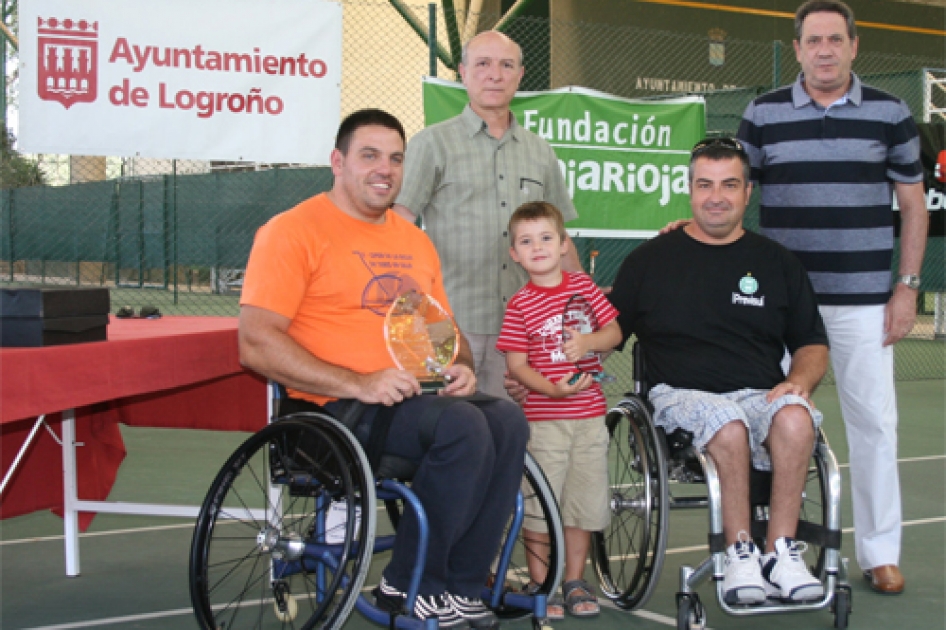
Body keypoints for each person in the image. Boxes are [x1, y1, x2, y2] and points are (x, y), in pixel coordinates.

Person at [238, 108, 530, 630]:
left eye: (396, 158)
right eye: (369, 155)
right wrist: (359, 382)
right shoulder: (292, 231)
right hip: (329, 413)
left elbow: (442, 331)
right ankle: (407, 582)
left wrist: (459, 365)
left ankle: (459, 586)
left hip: (411, 401)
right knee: (462, 426)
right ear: (338, 161)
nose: (385, 169)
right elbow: (256, 345)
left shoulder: (413, 239)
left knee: (506, 420)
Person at [736, 0, 929, 595]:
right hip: (780, 305)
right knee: (764, 422)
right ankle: (766, 548)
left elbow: (914, 205)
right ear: (797, 49)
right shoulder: (762, 114)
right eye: (813, 40)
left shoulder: (890, 112)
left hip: (866, 299)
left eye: (835, 40)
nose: (824, 50)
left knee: (874, 424)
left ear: (854, 45)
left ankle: (880, 554)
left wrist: (907, 287)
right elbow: (731, 193)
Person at [610, 138, 830, 605]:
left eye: (729, 185)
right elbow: (610, 331)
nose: (716, 196)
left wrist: (800, 382)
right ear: (689, 190)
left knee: (795, 416)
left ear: (747, 192)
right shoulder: (649, 260)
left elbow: (811, 343)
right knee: (727, 425)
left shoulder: (778, 263)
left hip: (756, 394)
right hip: (678, 396)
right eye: (705, 185)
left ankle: (781, 553)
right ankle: (738, 554)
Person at [393, 30, 582, 399]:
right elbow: (397, 228)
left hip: (518, 331)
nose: (494, 74)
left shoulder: (540, 152)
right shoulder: (430, 143)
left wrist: (582, 307)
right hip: (446, 327)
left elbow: (561, 240)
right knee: (446, 437)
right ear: (463, 72)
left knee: (507, 438)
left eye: (506, 65)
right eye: (482, 64)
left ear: (520, 75)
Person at [496, 202, 622, 619]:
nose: (538, 247)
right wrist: (550, 388)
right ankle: (542, 584)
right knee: (540, 505)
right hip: (543, 424)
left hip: (589, 420)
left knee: (580, 505)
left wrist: (588, 344)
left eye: (546, 238)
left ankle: (573, 581)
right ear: (514, 253)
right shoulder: (519, 305)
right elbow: (516, 366)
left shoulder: (584, 288)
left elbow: (614, 333)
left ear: (563, 243)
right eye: (526, 241)